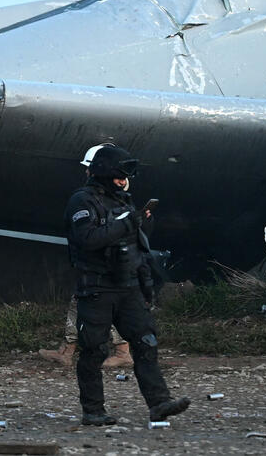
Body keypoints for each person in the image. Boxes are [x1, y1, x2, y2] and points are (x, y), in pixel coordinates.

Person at [65, 143, 189, 426]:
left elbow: (136, 245)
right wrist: (129, 223)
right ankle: (93, 410)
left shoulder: (124, 201)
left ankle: (159, 403)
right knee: (94, 350)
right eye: (120, 175)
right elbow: (88, 239)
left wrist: (142, 224)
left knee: (146, 343)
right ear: (105, 173)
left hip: (128, 286)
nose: (124, 181)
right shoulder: (82, 201)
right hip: (97, 287)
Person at [40, 145, 133, 369]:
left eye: (88, 168)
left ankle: (123, 351)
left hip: (103, 265)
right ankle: (68, 349)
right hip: (96, 263)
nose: (86, 172)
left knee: (103, 303)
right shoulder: (106, 196)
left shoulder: (105, 199)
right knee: (78, 301)